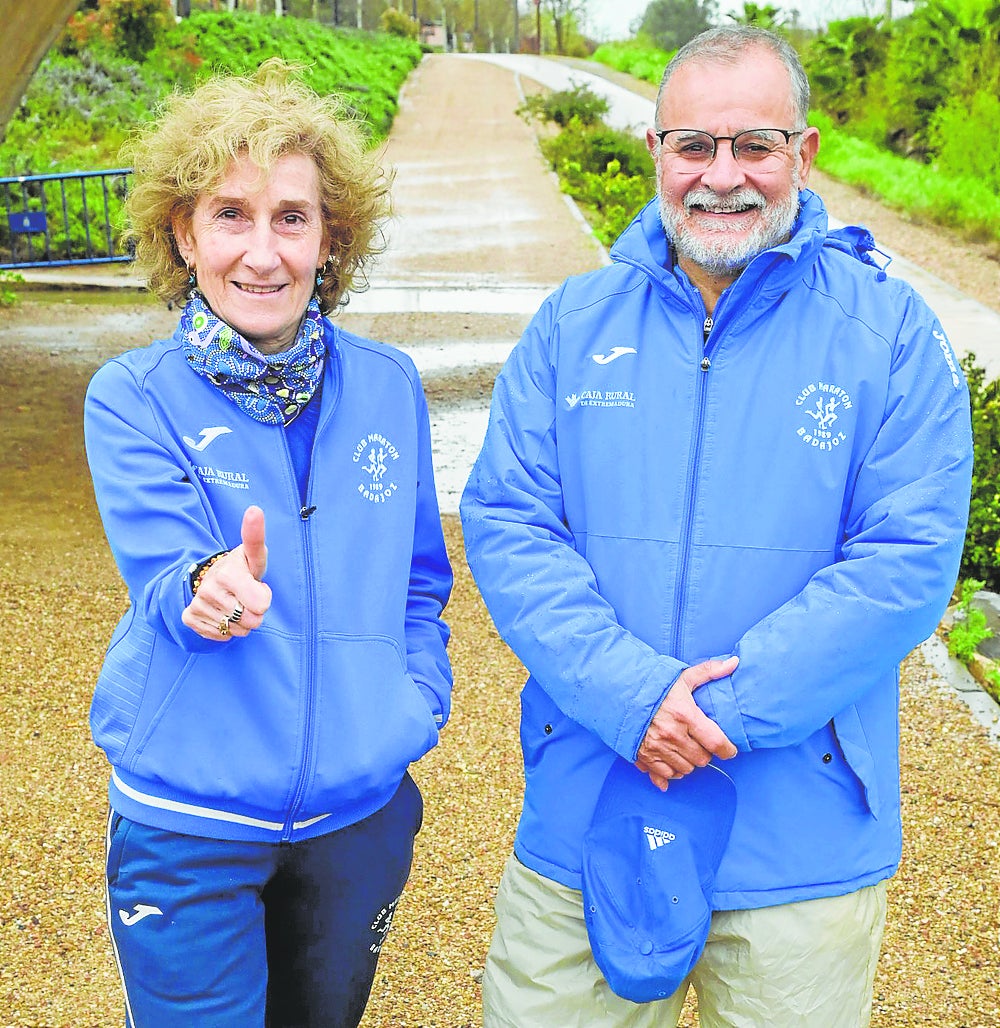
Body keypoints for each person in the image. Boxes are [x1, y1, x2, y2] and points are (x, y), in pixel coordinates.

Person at [460, 25, 973, 1027]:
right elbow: (512, 524)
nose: (721, 176)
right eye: (693, 145)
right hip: (589, 801)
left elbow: (903, 562)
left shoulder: (890, 335)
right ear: (654, 150)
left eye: (755, 145)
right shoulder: (570, 325)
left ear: (805, 154)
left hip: (802, 834)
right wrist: (631, 696)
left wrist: (711, 719)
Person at [83, 60, 453, 1028]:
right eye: (230, 215)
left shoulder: (388, 386)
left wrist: (410, 706)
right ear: (181, 231)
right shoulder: (131, 394)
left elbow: (420, 583)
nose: (262, 251)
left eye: (292, 217)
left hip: (357, 818)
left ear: (332, 237)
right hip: (188, 821)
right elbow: (168, 569)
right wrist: (211, 586)